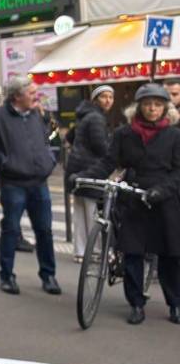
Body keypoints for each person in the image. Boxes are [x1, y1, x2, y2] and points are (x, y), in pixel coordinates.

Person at [81, 83, 180, 325]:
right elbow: (109, 161)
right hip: (133, 196)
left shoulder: (175, 135)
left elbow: (178, 171)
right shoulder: (124, 134)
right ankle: (136, 303)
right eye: (147, 104)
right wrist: (87, 176)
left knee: (171, 255)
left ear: (165, 108)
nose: (152, 109)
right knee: (132, 253)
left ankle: (175, 303)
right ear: (138, 107)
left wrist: (162, 190)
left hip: (165, 198)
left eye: (157, 105)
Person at [0, 76, 62, 296]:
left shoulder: (38, 114)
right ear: (17, 96)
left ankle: (48, 275)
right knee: (11, 230)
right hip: (13, 183)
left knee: (44, 230)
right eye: (31, 92)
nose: (37, 96)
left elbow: (52, 137)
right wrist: (4, 163)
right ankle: (6, 276)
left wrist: (51, 160)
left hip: (39, 182)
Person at [65, 85, 115, 263]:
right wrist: (114, 156)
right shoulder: (96, 118)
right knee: (93, 212)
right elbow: (100, 146)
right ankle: (94, 252)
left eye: (111, 97)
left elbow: (70, 137)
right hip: (90, 169)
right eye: (104, 97)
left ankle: (80, 251)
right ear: (95, 100)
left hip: (76, 168)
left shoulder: (85, 115)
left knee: (80, 211)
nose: (108, 100)